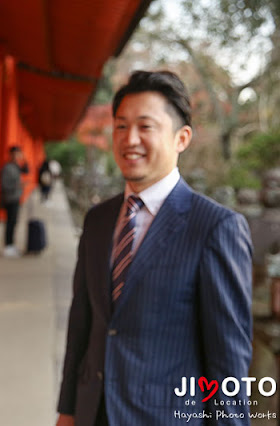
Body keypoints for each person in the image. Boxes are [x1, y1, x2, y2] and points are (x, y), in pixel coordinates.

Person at [56, 70, 252, 426]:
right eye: (120, 126)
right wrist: (67, 410)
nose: (130, 139)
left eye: (145, 127)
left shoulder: (215, 228)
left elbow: (228, 363)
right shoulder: (99, 219)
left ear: (182, 138)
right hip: (92, 411)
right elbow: (82, 322)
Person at [0, 145, 28, 257]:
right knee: (10, 223)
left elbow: (26, 170)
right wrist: (18, 185)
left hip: (16, 198)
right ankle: (7, 246)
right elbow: (5, 185)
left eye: (19, 154)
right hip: (10, 198)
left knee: (14, 222)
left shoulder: (16, 166)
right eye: (17, 153)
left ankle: (11, 244)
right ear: (12, 154)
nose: (18, 156)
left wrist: (24, 159)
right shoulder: (7, 168)